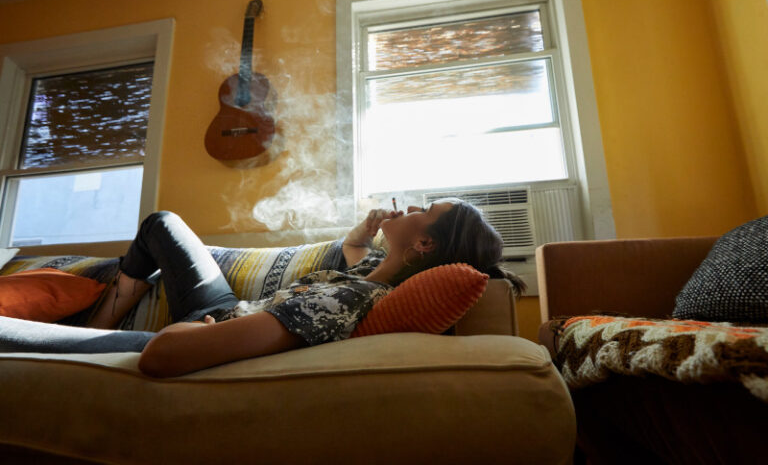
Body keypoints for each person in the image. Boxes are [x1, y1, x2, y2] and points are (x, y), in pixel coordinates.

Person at [1, 199, 524, 378]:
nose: (409, 208)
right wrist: (365, 235)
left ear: (426, 247)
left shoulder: (349, 299)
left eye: (423, 212)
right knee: (162, 223)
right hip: (226, 307)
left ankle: (98, 339)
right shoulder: (368, 279)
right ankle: (101, 321)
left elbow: (164, 357)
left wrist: (187, 331)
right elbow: (356, 267)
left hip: (198, 331)